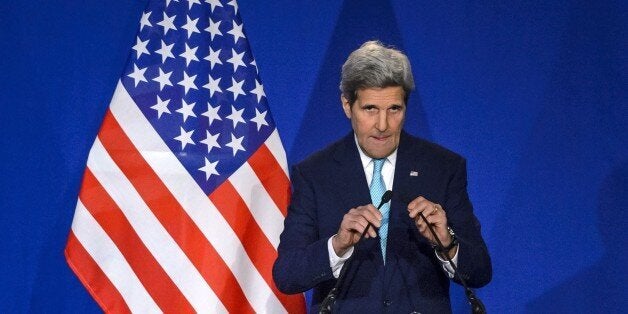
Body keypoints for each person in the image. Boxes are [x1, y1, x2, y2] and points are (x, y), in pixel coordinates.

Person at [273, 40, 492, 313]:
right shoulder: (315, 173)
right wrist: (338, 245)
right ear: (347, 105)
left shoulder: (442, 167)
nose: (383, 125)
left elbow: (481, 271)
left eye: (394, 109)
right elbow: (287, 274)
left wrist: (446, 242)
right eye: (370, 109)